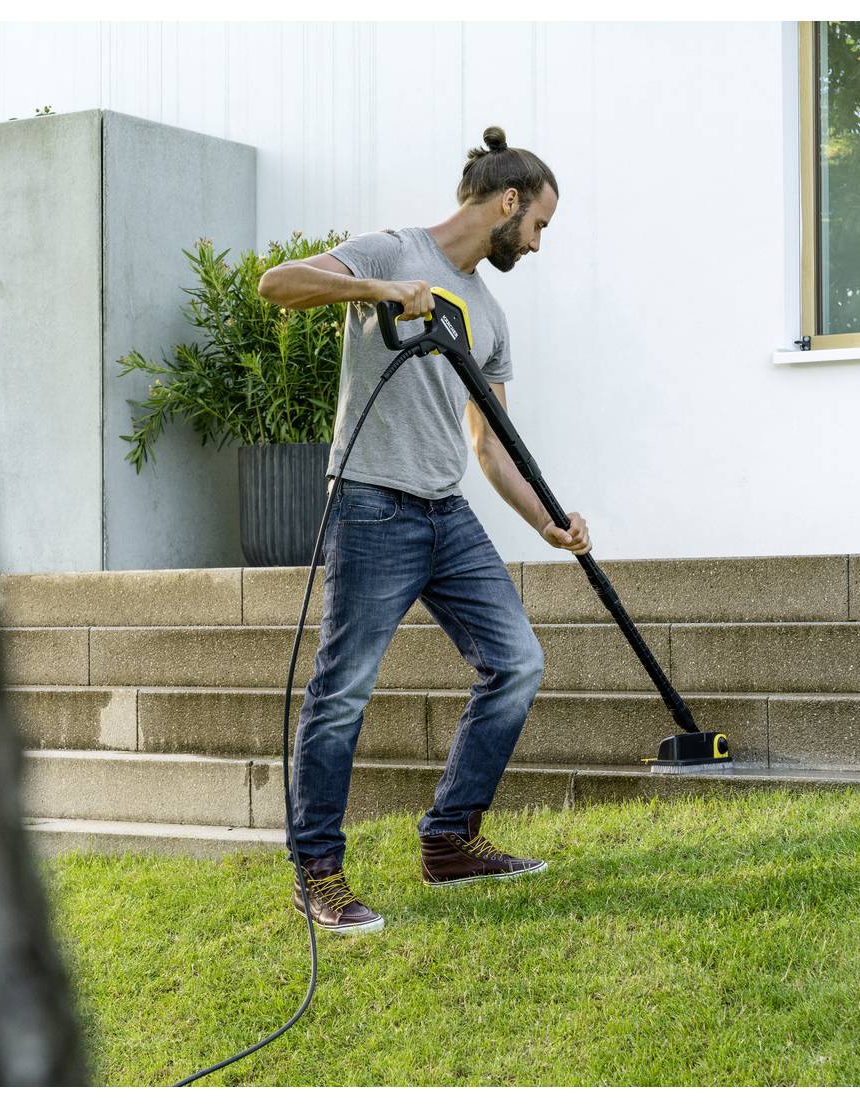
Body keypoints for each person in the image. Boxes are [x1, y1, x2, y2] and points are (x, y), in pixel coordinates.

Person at [256, 125, 589, 936]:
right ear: (507, 202)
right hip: (371, 503)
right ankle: (318, 875)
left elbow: (489, 443)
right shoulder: (388, 249)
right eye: (539, 224)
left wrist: (548, 521)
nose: (538, 243)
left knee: (516, 663)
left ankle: (448, 841)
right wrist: (378, 291)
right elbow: (277, 284)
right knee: (342, 693)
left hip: (446, 511)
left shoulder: (490, 313)